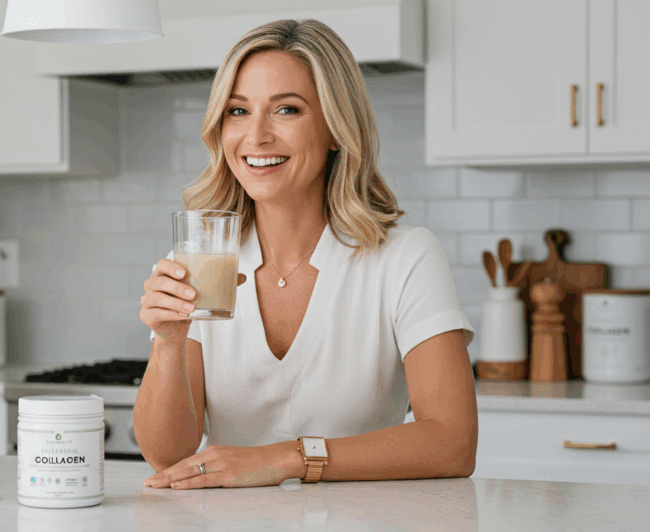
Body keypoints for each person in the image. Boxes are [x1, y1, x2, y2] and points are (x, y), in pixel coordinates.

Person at [135, 19, 477, 489]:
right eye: (238, 111)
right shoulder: (202, 258)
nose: (256, 136)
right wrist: (168, 341)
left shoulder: (405, 259)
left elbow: (453, 443)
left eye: (287, 110)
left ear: (336, 128)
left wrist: (287, 459)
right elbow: (167, 457)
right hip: (229, 528)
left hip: (368, 526)